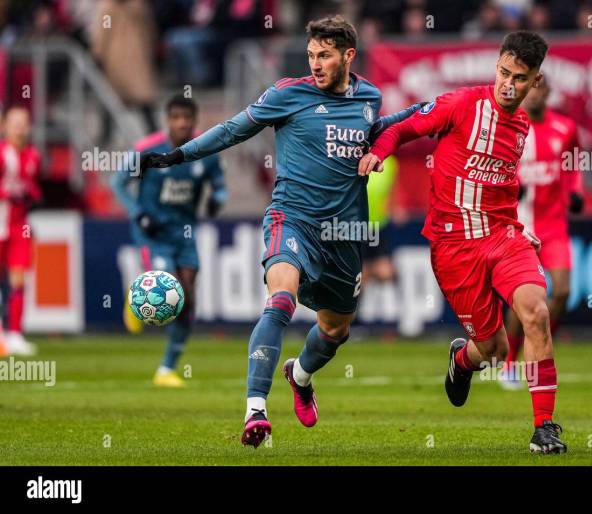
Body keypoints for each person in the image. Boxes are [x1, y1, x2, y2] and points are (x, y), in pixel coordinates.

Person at [139, 15, 423, 448]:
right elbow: (233, 129)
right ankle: (255, 409)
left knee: (336, 331)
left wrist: (425, 116)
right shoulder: (288, 94)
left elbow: (384, 130)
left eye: (324, 55)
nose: (316, 63)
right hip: (291, 220)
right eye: (311, 54)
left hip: (344, 234)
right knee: (281, 298)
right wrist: (178, 156)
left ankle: (301, 375)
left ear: (348, 55)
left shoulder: (370, 97)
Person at [359, 31, 567, 454]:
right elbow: (402, 129)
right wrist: (378, 153)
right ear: (497, 65)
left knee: (537, 312)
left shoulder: (522, 125)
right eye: (505, 73)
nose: (509, 86)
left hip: (503, 237)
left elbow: (502, 185)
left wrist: (516, 225)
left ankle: (544, 427)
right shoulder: (460, 104)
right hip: (455, 247)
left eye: (521, 79)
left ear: (536, 81)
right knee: (492, 349)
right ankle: (461, 360)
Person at [111, 95, 227, 387]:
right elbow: (119, 182)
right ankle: (136, 298)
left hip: (185, 233)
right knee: (169, 284)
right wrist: (138, 213)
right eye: (176, 118)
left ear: (194, 121)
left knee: (188, 299)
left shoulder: (206, 151)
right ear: (168, 120)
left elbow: (220, 185)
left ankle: (166, 369)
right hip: (154, 233)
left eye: (187, 119)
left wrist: (217, 200)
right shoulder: (147, 151)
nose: (182, 124)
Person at [502, 75, 584, 390]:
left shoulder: (565, 128)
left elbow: (573, 163)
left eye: (540, 89)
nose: (534, 95)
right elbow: (497, 166)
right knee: (521, 297)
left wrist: (575, 191)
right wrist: (511, 188)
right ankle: (509, 362)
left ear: (548, 92)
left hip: (553, 225)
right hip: (521, 224)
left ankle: (540, 340)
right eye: (530, 89)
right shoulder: (513, 127)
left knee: (562, 291)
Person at [0, 106, 42, 356]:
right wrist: (13, 194)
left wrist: (33, 196)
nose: (18, 128)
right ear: (5, 126)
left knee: (18, 279)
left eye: (23, 123)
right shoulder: (2, 154)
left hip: (19, 226)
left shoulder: (33, 156)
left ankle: (15, 334)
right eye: (14, 123)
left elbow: (33, 188)